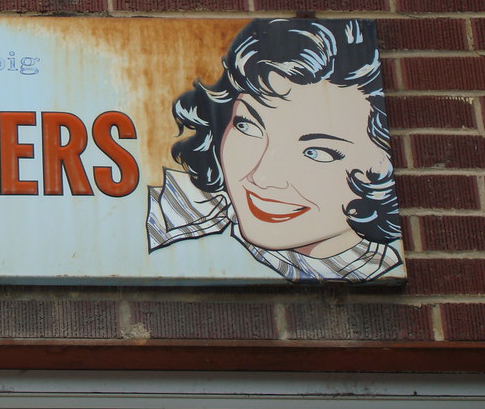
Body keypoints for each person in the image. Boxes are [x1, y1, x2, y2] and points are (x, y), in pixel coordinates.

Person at [146, 18, 402, 282]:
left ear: (381, 164)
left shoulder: (377, 269)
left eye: (318, 152)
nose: (262, 176)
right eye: (247, 127)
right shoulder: (171, 211)